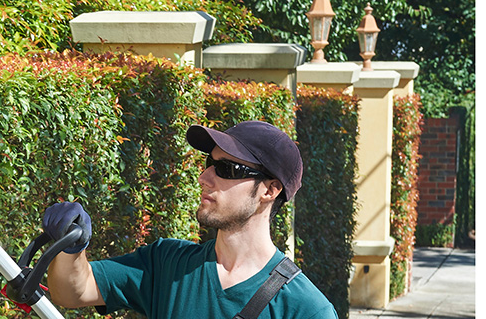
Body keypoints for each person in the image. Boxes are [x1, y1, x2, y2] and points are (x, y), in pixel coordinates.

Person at [43, 121, 337, 318]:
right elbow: (74, 291)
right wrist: (72, 247)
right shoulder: (167, 262)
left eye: (228, 168)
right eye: (210, 163)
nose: (204, 177)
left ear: (270, 190)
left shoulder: (306, 309)